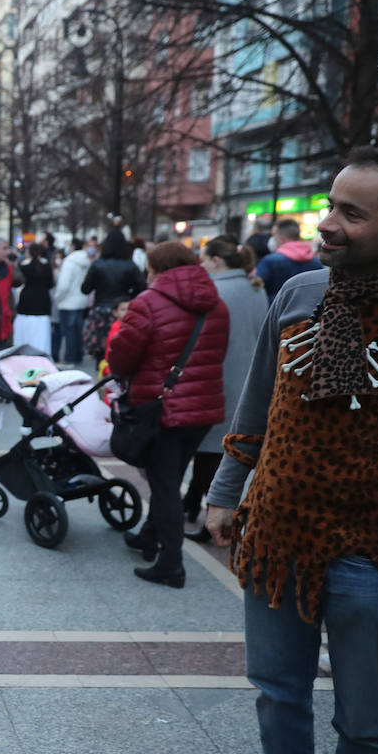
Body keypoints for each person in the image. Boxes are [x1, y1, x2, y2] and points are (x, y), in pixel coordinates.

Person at [204, 145, 378, 754]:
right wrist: (226, 492)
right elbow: (257, 402)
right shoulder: (299, 293)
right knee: (277, 690)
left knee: (368, 715)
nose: (328, 224)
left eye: (353, 213)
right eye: (329, 206)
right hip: (278, 531)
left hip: (374, 548)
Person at [106, 241, 228, 588]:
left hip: (161, 406)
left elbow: (122, 358)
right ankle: (149, 535)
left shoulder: (148, 303)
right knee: (170, 476)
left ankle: (171, 563)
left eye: (149, 269)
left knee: (163, 485)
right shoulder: (216, 304)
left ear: (159, 270)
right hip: (202, 407)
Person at [182, 236, 267, 538]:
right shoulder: (255, 288)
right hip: (247, 377)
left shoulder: (215, 291)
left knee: (210, 451)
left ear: (216, 260)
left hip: (219, 377)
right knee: (213, 449)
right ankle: (191, 502)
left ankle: (213, 516)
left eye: (204, 259)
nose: (202, 265)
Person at [81, 229, 146, 362]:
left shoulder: (98, 264)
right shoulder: (130, 265)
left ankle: (102, 372)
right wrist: (128, 295)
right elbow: (142, 288)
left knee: (100, 353)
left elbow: (85, 289)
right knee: (121, 350)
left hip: (100, 311)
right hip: (122, 311)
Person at [255, 218, 324, 300]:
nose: (272, 239)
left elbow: (256, 287)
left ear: (282, 237)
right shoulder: (315, 262)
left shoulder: (270, 261)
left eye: (274, 235)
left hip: (274, 306)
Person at [53, 237, 91, 367]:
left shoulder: (69, 262)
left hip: (68, 301)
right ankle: (77, 356)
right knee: (77, 330)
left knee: (69, 331)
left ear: (73, 247)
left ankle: (69, 358)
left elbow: (64, 285)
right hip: (81, 300)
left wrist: (57, 298)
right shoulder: (85, 261)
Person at [13, 241, 54, 353]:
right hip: (43, 303)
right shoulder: (46, 266)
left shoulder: (23, 266)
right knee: (41, 338)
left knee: (25, 335)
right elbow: (50, 284)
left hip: (26, 303)